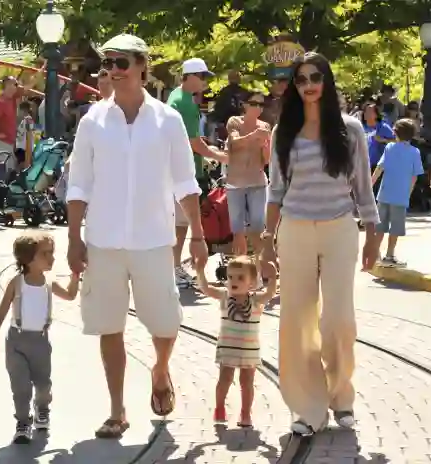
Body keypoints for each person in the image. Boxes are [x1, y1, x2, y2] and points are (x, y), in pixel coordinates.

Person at [66, 33, 209, 439]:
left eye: (121, 62)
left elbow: (186, 182)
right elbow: (80, 185)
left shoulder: (169, 120)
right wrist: (74, 240)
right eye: (107, 63)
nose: (112, 70)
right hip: (104, 240)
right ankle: (117, 410)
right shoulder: (93, 120)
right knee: (110, 325)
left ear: (142, 66)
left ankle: (160, 370)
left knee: (165, 323)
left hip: (153, 239)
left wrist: (198, 235)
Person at [261, 52, 379, 436]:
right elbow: (276, 190)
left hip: (340, 228)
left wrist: (374, 235)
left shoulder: (351, 130)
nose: (308, 84)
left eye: (315, 77)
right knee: (297, 320)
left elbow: (363, 187)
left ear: (327, 81)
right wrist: (266, 241)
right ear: (294, 87)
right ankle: (309, 407)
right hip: (294, 229)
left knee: (339, 320)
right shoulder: (284, 132)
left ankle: (341, 396)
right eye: (301, 79)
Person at [0, 232, 80, 444]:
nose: (52, 258)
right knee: (20, 387)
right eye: (45, 254)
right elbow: (2, 311)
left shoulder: (49, 284)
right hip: (16, 342)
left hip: (40, 342)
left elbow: (70, 295)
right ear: (28, 258)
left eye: (52, 253)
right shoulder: (16, 283)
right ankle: (22, 423)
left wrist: (75, 277)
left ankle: (42, 410)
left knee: (43, 384)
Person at [195, 256, 277, 427]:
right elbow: (206, 289)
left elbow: (270, 294)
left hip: (249, 350)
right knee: (224, 378)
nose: (234, 281)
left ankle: (246, 412)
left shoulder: (255, 300)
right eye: (230, 276)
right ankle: (219, 408)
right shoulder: (225, 296)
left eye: (240, 278)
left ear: (251, 283)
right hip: (228, 348)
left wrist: (274, 277)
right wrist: (200, 271)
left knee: (246, 382)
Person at [166, 57, 227, 287]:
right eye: (201, 77)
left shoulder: (175, 96)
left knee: (179, 224)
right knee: (182, 224)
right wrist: (221, 156)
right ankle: (173, 269)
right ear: (189, 77)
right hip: (184, 170)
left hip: (173, 168)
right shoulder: (187, 104)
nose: (204, 82)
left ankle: (173, 267)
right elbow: (194, 143)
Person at [371, 119, 424, 266]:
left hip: (384, 194)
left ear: (395, 133)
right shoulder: (415, 152)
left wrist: (370, 184)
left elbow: (379, 168)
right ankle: (389, 255)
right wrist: (408, 193)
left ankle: (375, 255)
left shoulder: (389, 147)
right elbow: (414, 176)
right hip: (401, 196)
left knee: (380, 226)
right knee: (395, 227)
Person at [225, 92, 271, 260]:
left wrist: (265, 147)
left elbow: (266, 160)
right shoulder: (234, 122)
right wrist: (254, 137)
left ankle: (259, 269)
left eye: (261, 104)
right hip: (235, 184)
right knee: (238, 233)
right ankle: (241, 270)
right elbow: (234, 142)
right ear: (244, 105)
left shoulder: (265, 126)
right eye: (254, 103)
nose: (258, 108)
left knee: (257, 230)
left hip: (258, 183)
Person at [15, 101, 35, 169]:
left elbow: (29, 136)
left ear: (22, 110)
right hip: (21, 149)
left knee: (21, 169)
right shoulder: (24, 120)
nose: (17, 112)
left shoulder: (28, 120)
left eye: (18, 109)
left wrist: (28, 154)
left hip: (24, 150)